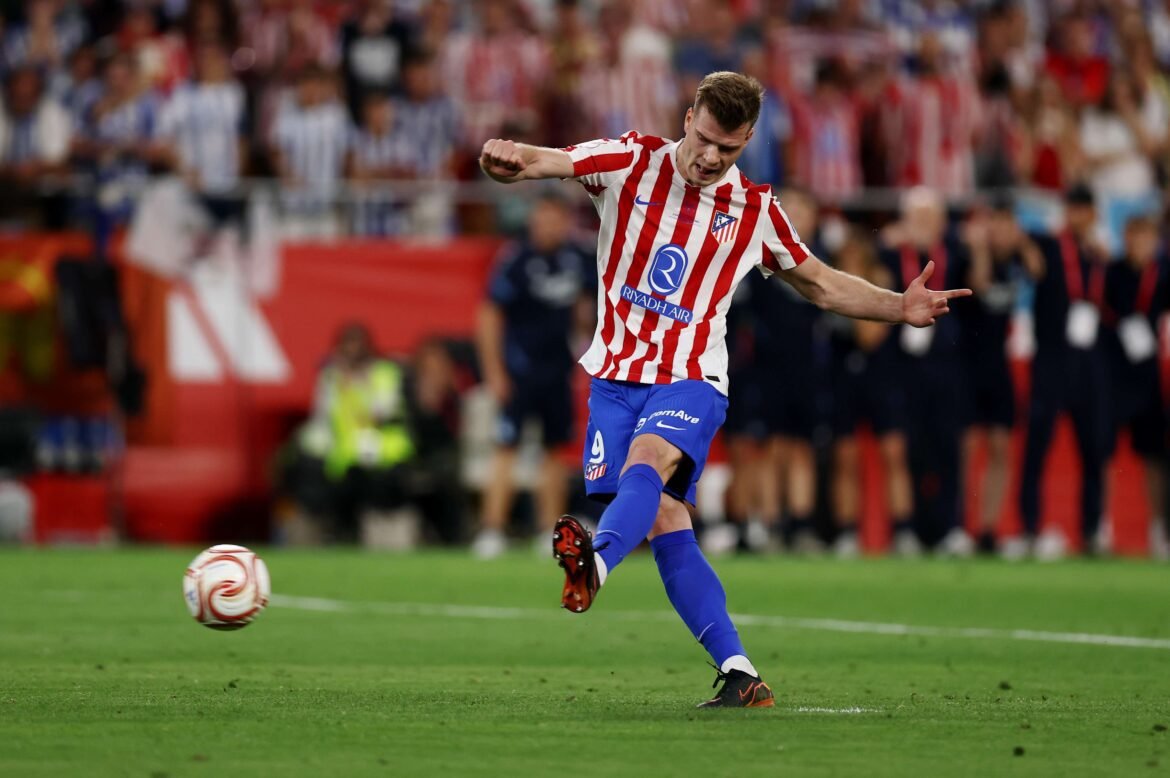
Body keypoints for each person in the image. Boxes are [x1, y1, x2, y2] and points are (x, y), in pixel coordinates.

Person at [478, 71, 970, 707]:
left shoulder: (756, 210)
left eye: (729, 148)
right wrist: (507, 160)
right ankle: (740, 672)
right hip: (616, 377)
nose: (712, 157)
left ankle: (593, 565)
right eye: (705, 139)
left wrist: (898, 306)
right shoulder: (631, 161)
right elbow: (550, 162)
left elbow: (820, 283)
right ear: (688, 119)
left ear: (748, 141)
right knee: (664, 516)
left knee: (647, 461)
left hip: (692, 376)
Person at [472, 191, 596, 559]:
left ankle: (548, 530)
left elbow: (588, 306)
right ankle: (492, 529)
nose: (548, 226)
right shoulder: (516, 259)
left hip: (558, 372)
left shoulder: (577, 259)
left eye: (555, 219)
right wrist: (494, 371)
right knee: (506, 446)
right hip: (519, 370)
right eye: (542, 218)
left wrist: (584, 346)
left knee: (555, 450)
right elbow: (489, 315)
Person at [1014, 184, 1112, 560]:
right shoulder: (1049, 244)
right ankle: (1029, 528)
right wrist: (1028, 251)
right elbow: (1022, 246)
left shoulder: (1099, 255)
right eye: (1073, 208)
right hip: (1052, 359)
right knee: (1037, 445)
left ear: (1093, 213)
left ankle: (1092, 529)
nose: (1078, 215)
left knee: (1093, 448)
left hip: (1088, 362)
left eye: (1084, 209)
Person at [879, 186, 972, 555]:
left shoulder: (957, 253)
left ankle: (951, 527)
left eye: (930, 218)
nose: (923, 225)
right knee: (907, 449)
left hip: (947, 365)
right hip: (900, 366)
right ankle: (907, 529)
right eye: (916, 217)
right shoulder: (889, 254)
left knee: (948, 449)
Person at [958, 196, 1041, 555]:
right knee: (966, 448)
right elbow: (979, 285)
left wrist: (1022, 243)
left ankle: (988, 528)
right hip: (967, 364)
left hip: (999, 364)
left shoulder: (1017, 260)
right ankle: (960, 525)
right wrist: (980, 249)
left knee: (1001, 447)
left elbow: (1038, 271)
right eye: (997, 223)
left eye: (1008, 223)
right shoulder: (967, 255)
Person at [826, 231, 915, 558]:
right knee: (845, 458)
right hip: (842, 377)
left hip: (881, 378)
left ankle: (903, 531)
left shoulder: (880, 282)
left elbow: (869, 336)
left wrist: (853, 289)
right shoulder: (827, 284)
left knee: (893, 454)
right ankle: (847, 532)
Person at [288, 323, 414, 542]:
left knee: (381, 487)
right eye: (347, 347)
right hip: (345, 457)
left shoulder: (384, 373)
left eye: (357, 347)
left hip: (384, 455)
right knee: (309, 476)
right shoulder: (331, 378)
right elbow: (322, 418)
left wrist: (358, 384)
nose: (352, 353)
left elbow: (382, 412)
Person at [1102, 215, 1170, 560]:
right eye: (1135, 236)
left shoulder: (1163, 272)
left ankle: (1159, 531)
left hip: (1148, 377)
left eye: (1147, 237)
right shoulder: (1111, 272)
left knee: (1155, 456)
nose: (1141, 244)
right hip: (1113, 374)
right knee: (1104, 451)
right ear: (1125, 238)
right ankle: (1102, 526)